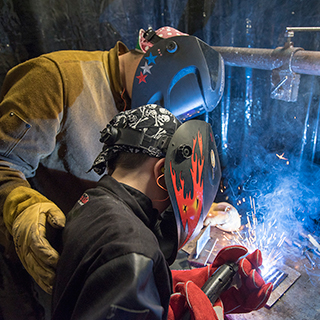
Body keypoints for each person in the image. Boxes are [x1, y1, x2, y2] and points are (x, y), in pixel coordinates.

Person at [51, 104, 272, 320]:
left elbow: (102, 285)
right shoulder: (136, 251)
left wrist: (180, 281)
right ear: (164, 171)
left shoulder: (93, 202)